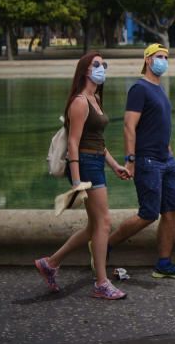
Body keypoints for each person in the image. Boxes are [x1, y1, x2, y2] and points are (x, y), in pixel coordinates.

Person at [34, 52, 131, 299]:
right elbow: (74, 143)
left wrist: (115, 165)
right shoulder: (79, 102)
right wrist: (77, 181)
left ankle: (51, 263)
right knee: (104, 223)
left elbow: (98, 141)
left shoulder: (95, 98)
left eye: (104, 65)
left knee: (94, 226)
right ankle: (101, 283)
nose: (102, 68)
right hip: (85, 165)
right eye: (96, 64)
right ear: (85, 71)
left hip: (96, 161)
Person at [106, 43, 175, 278]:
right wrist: (130, 160)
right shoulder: (139, 89)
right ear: (148, 60)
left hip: (167, 161)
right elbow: (128, 126)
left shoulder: (158, 89)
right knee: (148, 213)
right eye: (159, 56)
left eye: (166, 56)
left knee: (171, 211)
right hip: (148, 161)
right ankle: (104, 247)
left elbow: (159, 125)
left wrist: (170, 152)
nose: (163, 60)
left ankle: (164, 264)